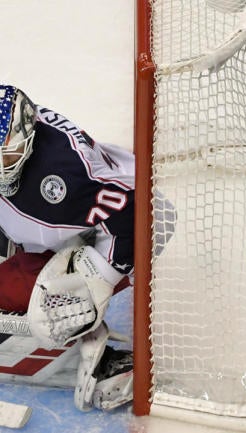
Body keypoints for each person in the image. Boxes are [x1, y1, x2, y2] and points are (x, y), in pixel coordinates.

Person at [0, 84, 172, 411]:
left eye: (6, 156)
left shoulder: (61, 175)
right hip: (71, 222)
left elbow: (147, 213)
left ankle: (101, 354)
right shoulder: (17, 140)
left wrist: (97, 277)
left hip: (128, 229)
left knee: (48, 307)